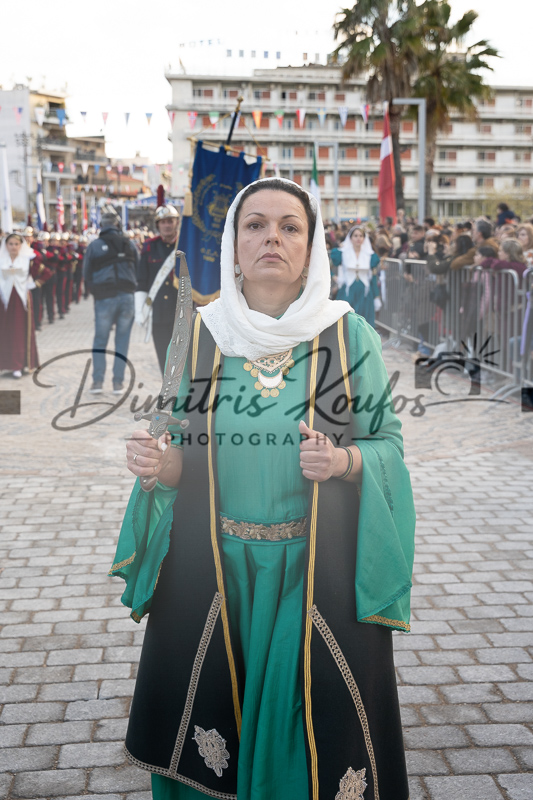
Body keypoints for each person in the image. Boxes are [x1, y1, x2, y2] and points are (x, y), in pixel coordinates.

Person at [110, 178, 416, 800]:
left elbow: (388, 446)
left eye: (289, 226)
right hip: (216, 575)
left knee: (300, 750)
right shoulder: (200, 334)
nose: (271, 237)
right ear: (232, 242)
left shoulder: (347, 336)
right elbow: (184, 457)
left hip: (312, 576)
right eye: (255, 225)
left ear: (311, 247)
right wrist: (158, 465)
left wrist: (342, 461)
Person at [83, 208, 139, 394]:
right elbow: (138, 267)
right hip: (127, 296)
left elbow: (86, 273)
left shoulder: (94, 245)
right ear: (117, 225)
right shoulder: (129, 244)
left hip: (104, 298)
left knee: (100, 340)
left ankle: (98, 382)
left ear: (101, 226)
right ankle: (118, 383)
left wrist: (94, 291)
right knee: (122, 341)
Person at [135, 204, 180, 374]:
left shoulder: (185, 244)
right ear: (158, 225)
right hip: (159, 314)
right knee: (164, 358)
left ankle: (185, 390)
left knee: (184, 359)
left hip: (182, 313)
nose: (167, 225)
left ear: (176, 223)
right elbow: (142, 281)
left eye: (170, 221)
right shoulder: (149, 247)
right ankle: (169, 389)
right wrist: (140, 310)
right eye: (163, 222)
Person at [0, 233, 39, 377]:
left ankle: (19, 364)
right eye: (11, 244)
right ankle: (5, 363)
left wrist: (35, 283)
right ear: (6, 245)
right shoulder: (1, 258)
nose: (13, 247)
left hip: (20, 298)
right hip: (3, 299)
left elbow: (43, 270)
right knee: (4, 329)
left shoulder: (27, 259)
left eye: (16, 244)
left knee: (19, 330)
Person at [336, 226, 381, 326]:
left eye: (361, 236)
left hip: (364, 292)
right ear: (351, 238)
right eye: (355, 236)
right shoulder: (343, 253)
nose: (358, 238)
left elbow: (373, 277)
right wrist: (335, 277)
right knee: (347, 321)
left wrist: (376, 296)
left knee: (364, 321)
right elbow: (329, 265)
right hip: (348, 291)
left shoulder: (370, 255)